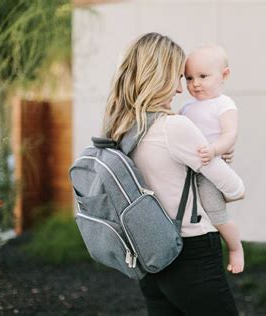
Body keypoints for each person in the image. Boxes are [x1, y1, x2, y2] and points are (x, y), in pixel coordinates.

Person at [102, 33, 244, 315]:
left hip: (149, 250)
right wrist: (219, 159)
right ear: (160, 77)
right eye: (179, 77)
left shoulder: (122, 127)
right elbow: (235, 188)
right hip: (190, 250)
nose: (182, 89)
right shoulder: (174, 127)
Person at [181, 44, 244, 274]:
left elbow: (230, 134)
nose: (195, 83)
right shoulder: (186, 108)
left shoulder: (223, 104)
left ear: (224, 75)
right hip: (189, 169)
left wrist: (215, 150)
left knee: (216, 213)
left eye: (203, 76)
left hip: (209, 166)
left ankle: (235, 248)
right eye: (189, 78)